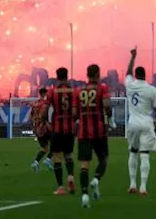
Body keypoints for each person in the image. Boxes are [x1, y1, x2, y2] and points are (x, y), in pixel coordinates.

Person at [124, 48, 156, 196]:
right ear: (145, 76)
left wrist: (133, 57)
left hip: (132, 124)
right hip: (146, 123)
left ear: (135, 76)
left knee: (133, 153)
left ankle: (132, 183)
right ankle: (143, 187)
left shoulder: (130, 85)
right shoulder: (151, 89)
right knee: (144, 154)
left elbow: (127, 73)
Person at [76, 63, 112, 208]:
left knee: (84, 164)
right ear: (98, 74)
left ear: (87, 75)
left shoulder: (79, 91)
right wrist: (109, 118)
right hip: (98, 131)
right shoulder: (102, 88)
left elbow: (74, 113)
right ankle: (96, 179)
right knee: (103, 159)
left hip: (83, 132)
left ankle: (84, 195)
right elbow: (107, 106)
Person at [48, 68, 78, 195]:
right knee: (68, 155)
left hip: (57, 127)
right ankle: (70, 177)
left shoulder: (52, 91)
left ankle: (60, 187)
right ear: (67, 76)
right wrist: (73, 119)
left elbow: (45, 110)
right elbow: (76, 112)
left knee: (56, 157)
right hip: (70, 127)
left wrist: (46, 123)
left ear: (57, 77)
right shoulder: (74, 91)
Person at [31, 87, 55, 172]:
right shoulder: (44, 103)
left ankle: (36, 162)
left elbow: (31, 116)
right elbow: (44, 115)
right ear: (44, 94)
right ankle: (48, 160)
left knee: (45, 149)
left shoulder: (34, 103)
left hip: (37, 129)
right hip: (44, 128)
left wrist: (34, 127)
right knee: (56, 144)